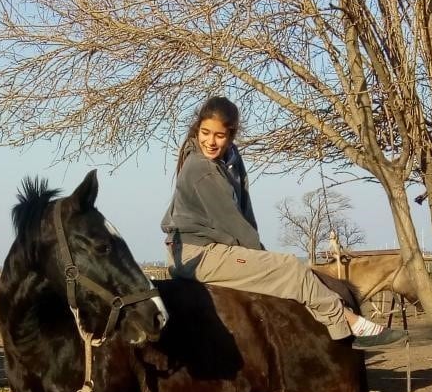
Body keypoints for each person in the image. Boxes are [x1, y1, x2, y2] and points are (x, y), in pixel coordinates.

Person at [161, 96, 407, 350]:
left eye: (219, 136)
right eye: (205, 133)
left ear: (231, 136)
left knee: (285, 267)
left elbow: (245, 212)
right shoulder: (200, 169)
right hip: (198, 254)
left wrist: (259, 253)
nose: (210, 142)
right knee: (289, 268)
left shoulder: (232, 159)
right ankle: (349, 323)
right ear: (197, 128)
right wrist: (264, 259)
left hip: (218, 247)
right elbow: (232, 225)